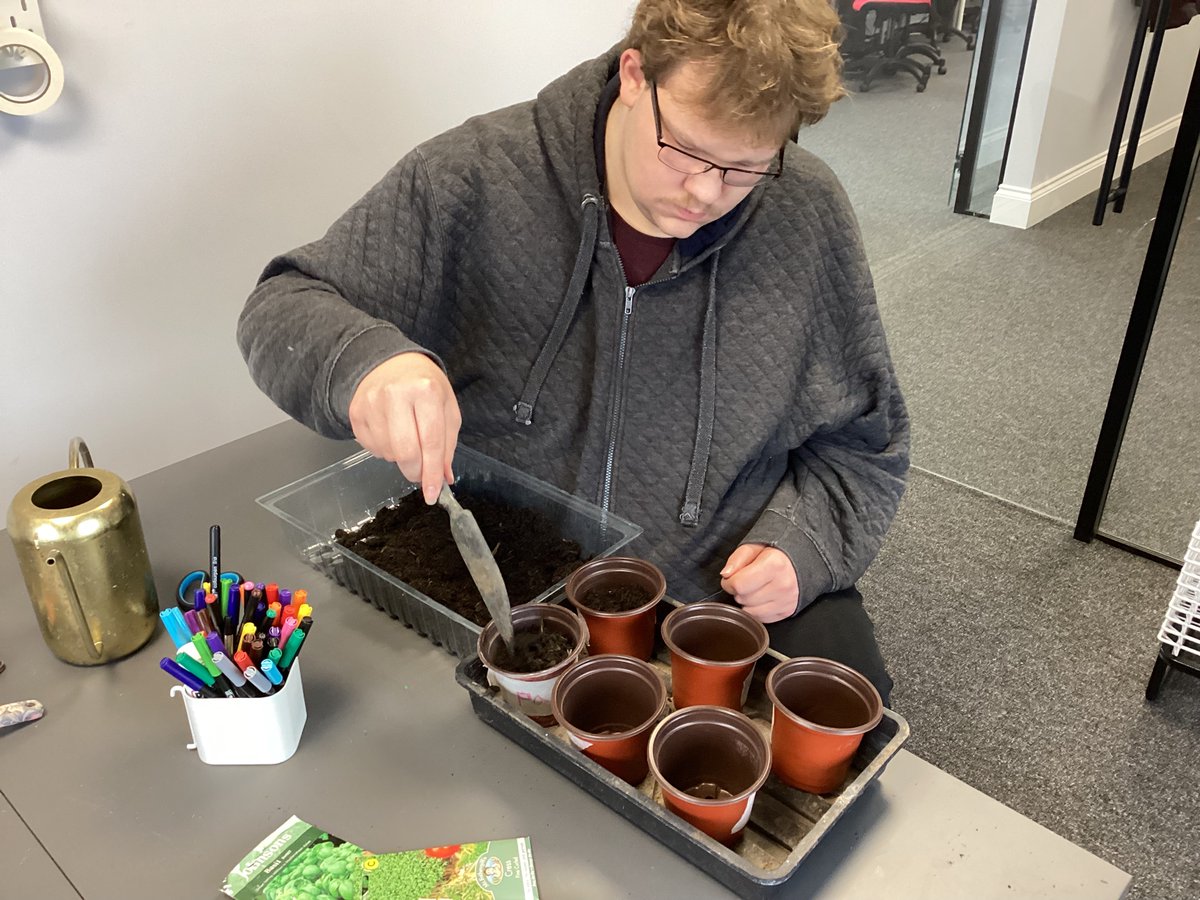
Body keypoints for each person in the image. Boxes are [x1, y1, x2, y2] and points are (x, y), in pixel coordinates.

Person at [238, 0, 910, 703]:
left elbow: (864, 447)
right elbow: (284, 302)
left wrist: (803, 545)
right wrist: (369, 363)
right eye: (682, 148)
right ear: (633, 74)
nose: (705, 193)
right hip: (505, 580)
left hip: (714, 589)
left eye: (744, 168)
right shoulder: (475, 176)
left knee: (846, 741)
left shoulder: (807, 213)